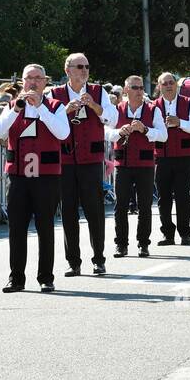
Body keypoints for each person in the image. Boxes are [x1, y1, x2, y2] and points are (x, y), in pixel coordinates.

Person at [0, 65, 71, 293]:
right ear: (22, 82)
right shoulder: (12, 106)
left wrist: (41, 108)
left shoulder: (56, 106)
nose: (33, 83)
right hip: (18, 176)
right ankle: (16, 278)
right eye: (29, 78)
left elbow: (62, 134)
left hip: (46, 176)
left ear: (45, 82)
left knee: (45, 227)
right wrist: (15, 110)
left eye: (38, 78)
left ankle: (46, 277)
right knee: (16, 228)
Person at [50, 53, 116, 277]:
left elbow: (112, 118)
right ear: (68, 70)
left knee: (95, 211)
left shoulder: (99, 91)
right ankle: (73, 262)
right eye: (79, 66)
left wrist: (95, 106)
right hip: (66, 161)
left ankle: (99, 259)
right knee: (68, 212)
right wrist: (65, 110)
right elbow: (48, 123)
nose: (84, 70)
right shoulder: (56, 94)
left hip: (91, 161)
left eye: (87, 66)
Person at [108, 76, 167, 258]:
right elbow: (106, 132)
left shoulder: (153, 110)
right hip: (122, 164)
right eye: (135, 87)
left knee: (145, 206)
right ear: (126, 90)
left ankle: (143, 243)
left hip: (145, 164)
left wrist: (145, 130)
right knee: (121, 205)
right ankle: (121, 245)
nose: (139, 91)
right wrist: (119, 131)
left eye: (141, 87)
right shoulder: (117, 110)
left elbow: (163, 136)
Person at [153, 72, 190, 246]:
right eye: (164, 83)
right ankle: (168, 234)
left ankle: (185, 233)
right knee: (163, 197)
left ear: (176, 85)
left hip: (184, 157)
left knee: (183, 196)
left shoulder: (189, 103)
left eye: (171, 82)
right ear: (159, 86)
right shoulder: (153, 105)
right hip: (161, 158)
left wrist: (180, 122)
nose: (168, 86)